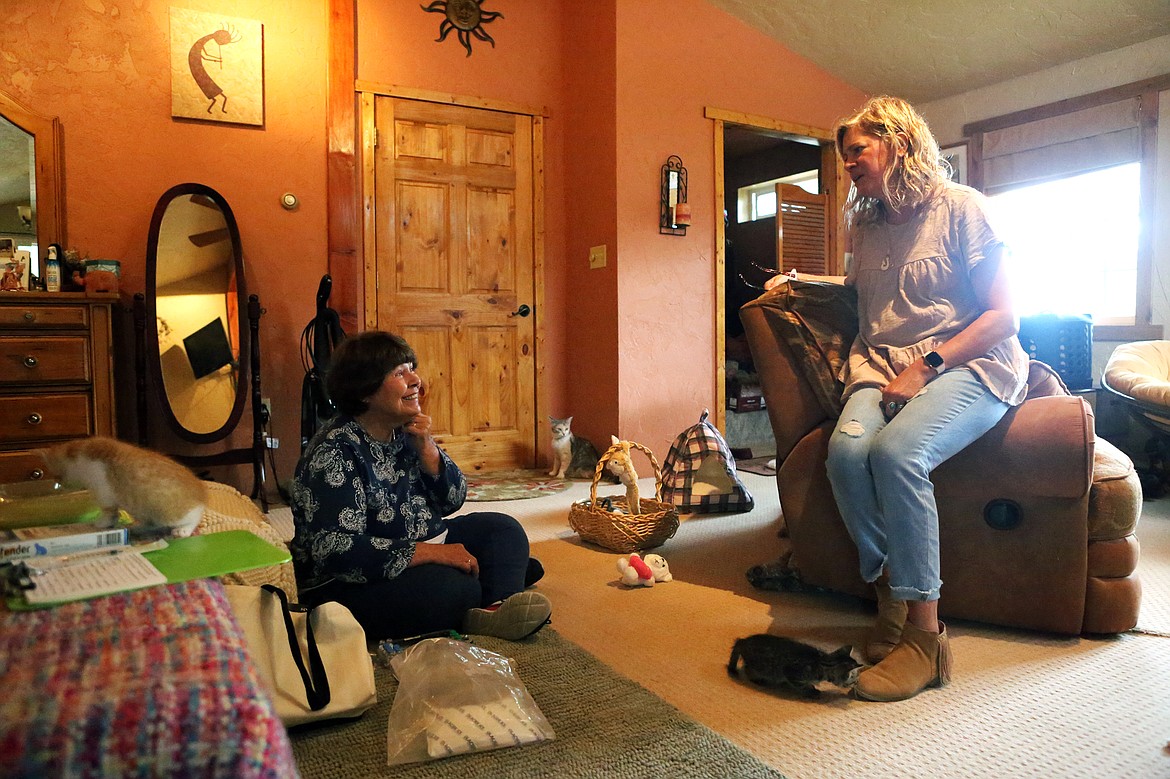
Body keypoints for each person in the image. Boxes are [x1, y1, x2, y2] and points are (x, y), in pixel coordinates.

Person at [767, 96, 1029, 702]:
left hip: (968, 363)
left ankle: (924, 637)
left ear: (899, 143)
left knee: (896, 456)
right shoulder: (868, 222)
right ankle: (891, 588)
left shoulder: (965, 210)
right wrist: (803, 284)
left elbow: (1005, 317)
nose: (849, 163)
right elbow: (864, 293)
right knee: (847, 455)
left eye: (858, 150)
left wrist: (926, 366)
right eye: (845, 154)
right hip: (878, 364)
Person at [290, 330, 551, 642]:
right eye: (400, 373)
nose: (416, 380)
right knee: (454, 587)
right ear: (364, 392)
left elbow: (453, 500)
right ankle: (496, 583)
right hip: (351, 582)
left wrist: (427, 449)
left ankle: (495, 606)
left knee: (503, 530)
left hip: (424, 542)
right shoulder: (334, 452)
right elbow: (336, 551)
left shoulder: (405, 430)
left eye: (412, 368)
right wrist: (430, 553)